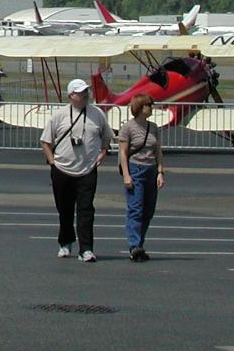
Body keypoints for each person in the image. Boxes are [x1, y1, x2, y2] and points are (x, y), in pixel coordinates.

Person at [40, 78, 112, 263]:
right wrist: (52, 160)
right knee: (64, 209)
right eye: (81, 92)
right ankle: (65, 242)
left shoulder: (97, 114)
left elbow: (107, 136)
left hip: (87, 170)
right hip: (62, 169)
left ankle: (86, 249)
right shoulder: (60, 115)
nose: (85, 94)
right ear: (71, 95)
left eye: (86, 91)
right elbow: (45, 140)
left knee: (86, 209)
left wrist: (103, 152)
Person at [118, 94, 166, 261]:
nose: (151, 108)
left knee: (148, 210)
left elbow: (157, 150)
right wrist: (126, 175)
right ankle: (134, 244)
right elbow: (123, 153)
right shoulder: (128, 128)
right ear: (139, 107)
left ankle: (140, 243)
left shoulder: (153, 127)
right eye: (148, 105)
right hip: (135, 168)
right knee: (135, 208)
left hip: (151, 169)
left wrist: (160, 171)